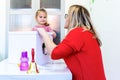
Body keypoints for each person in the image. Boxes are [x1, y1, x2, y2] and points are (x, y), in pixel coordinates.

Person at [37, 5, 106, 80]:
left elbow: (55, 53)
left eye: (67, 15)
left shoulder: (78, 33)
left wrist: (44, 33)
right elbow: (63, 51)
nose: (65, 18)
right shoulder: (86, 33)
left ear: (73, 18)